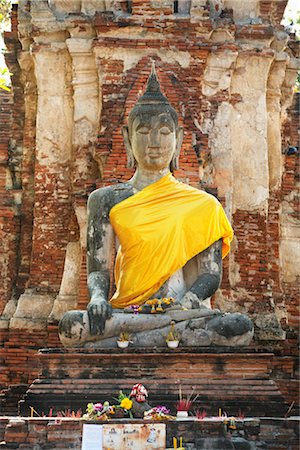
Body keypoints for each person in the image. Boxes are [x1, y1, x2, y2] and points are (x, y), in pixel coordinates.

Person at [58, 66, 253, 348]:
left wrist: (189, 299)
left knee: (238, 327)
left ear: (179, 139)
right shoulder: (105, 199)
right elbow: (98, 270)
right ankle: (159, 336)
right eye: (144, 131)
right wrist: (98, 298)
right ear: (127, 138)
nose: (154, 142)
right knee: (72, 326)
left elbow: (210, 273)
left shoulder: (202, 204)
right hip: (128, 310)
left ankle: (133, 341)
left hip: (181, 310)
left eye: (164, 132)